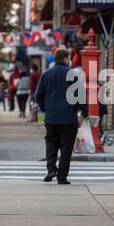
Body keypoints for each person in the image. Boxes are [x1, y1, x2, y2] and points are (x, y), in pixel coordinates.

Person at [35, 48, 88, 185]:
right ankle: (62, 177)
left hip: (51, 117)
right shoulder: (72, 75)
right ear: (65, 59)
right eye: (69, 58)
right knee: (66, 148)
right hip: (68, 118)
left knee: (51, 143)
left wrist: (46, 108)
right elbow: (80, 96)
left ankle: (51, 169)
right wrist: (84, 113)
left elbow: (38, 95)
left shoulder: (46, 75)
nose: (70, 61)